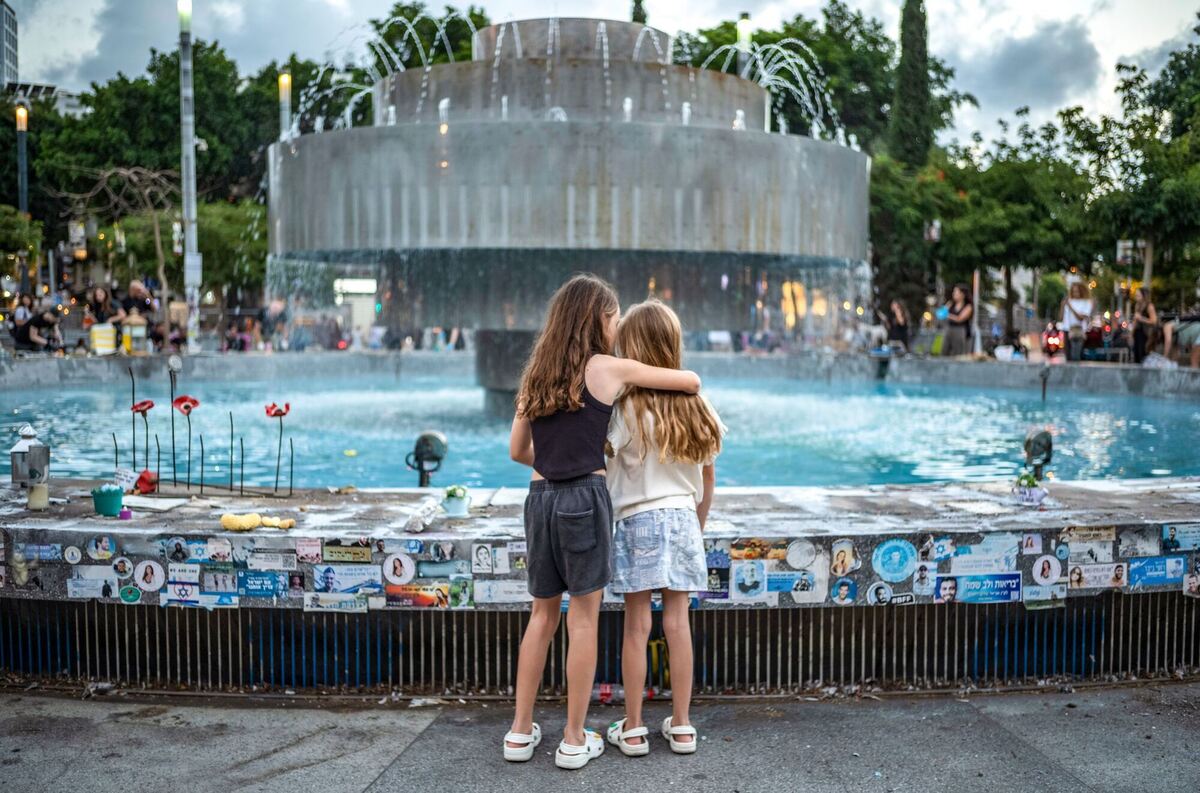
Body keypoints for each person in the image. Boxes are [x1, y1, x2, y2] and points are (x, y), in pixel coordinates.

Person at [503, 274, 701, 770]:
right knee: (583, 619)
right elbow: (688, 381)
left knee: (541, 617)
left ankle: (519, 731)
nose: (616, 325)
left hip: (539, 498)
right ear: (598, 317)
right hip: (584, 500)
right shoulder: (608, 368)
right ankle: (573, 737)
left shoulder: (535, 374)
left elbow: (517, 451)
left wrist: (553, 451)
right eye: (613, 317)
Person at [603, 300, 724, 759]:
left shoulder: (625, 408)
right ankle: (683, 725)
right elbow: (707, 478)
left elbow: (605, 466)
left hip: (637, 520)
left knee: (637, 626)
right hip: (683, 519)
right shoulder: (696, 403)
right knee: (677, 623)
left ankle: (633, 728)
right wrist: (698, 524)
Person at [1061, 282, 1093, 362]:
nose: (1075, 293)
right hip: (1067, 330)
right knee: (1068, 356)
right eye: (1073, 291)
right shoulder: (1069, 301)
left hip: (1078, 330)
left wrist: (1070, 307)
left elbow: (1080, 318)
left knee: (1076, 356)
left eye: (1077, 291)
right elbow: (1061, 317)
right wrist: (1062, 306)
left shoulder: (1086, 302)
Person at [942, 285, 973, 356]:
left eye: (956, 292)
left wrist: (947, 315)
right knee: (944, 350)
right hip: (949, 329)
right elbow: (942, 313)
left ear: (962, 294)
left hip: (960, 330)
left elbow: (960, 319)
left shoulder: (968, 306)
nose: (953, 293)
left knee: (958, 352)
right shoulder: (951, 303)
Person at [1131, 288, 1157, 364]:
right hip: (1137, 332)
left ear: (1143, 296)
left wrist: (1141, 318)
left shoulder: (1149, 306)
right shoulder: (1137, 305)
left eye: (1138, 295)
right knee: (1136, 354)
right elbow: (1135, 321)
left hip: (1146, 334)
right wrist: (1131, 333)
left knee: (1143, 354)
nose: (1136, 296)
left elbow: (1154, 321)